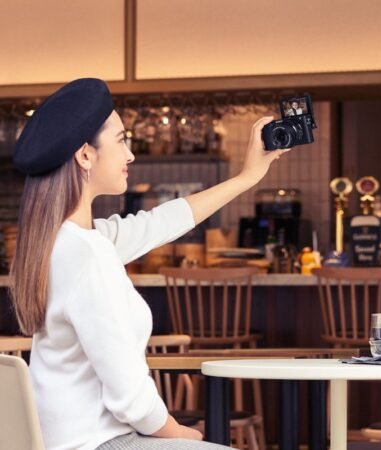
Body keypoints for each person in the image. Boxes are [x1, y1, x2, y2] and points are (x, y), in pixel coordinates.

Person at [10, 78, 290, 450]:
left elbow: (161, 222)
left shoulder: (65, 242)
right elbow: (128, 393)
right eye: (121, 140)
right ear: (85, 156)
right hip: (100, 442)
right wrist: (177, 431)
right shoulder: (87, 253)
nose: (130, 155)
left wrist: (247, 178)